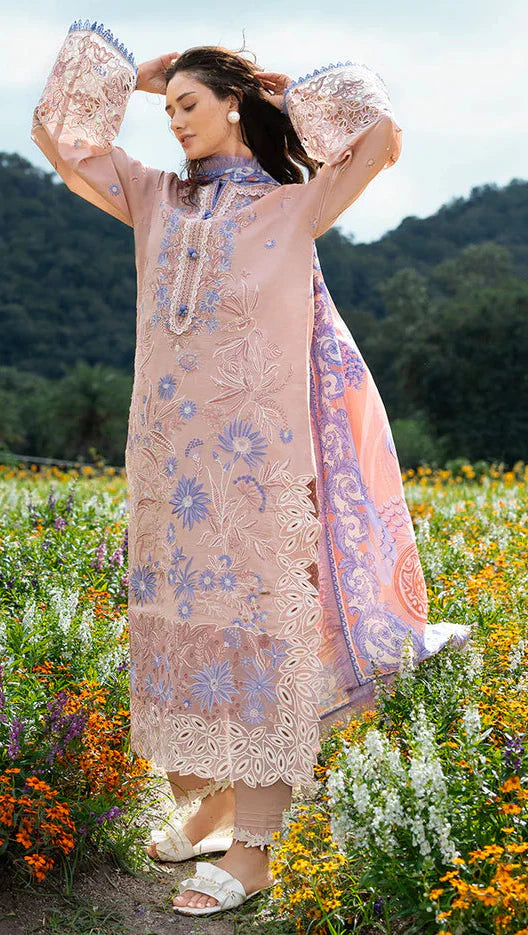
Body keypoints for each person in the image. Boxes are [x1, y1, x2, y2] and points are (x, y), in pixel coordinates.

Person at [31, 19, 469, 917]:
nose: (174, 122)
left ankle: (257, 851)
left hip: (263, 474)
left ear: (234, 106)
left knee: (262, 643)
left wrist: (281, 94)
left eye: (189, 104)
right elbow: (60, 135)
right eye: (167, 110)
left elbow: (379, 133)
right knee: (185, 638)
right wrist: (146, 78)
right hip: (168, 473)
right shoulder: (155, 197)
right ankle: (218, 805)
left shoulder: (293, 205)